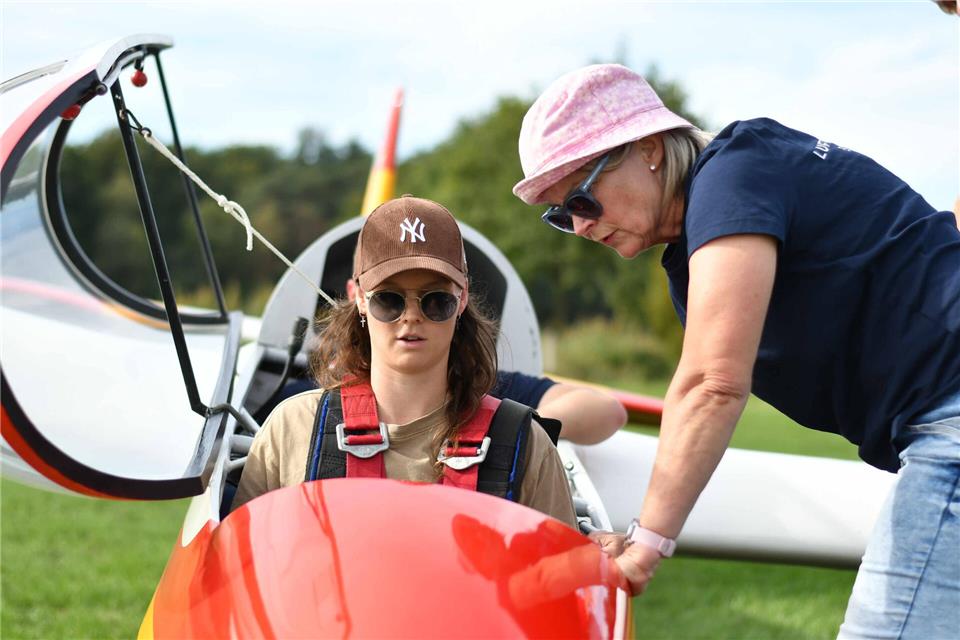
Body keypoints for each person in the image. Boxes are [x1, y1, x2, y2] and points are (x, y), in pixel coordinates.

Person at [513, 64, 960, 639]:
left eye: (581, 197)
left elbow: (713, 383)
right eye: (559, 214)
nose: (578, 226)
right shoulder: (715, 217)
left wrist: (645, 545)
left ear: (649, 150)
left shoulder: (733, 176)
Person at [233, 196, 577, 528]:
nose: (412, 316)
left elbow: (561, 566)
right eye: (389, 299)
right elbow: (243, 557)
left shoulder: (525, 445)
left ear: (462, 300)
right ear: (360, 299)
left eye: (436, 300)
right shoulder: (292, 428)